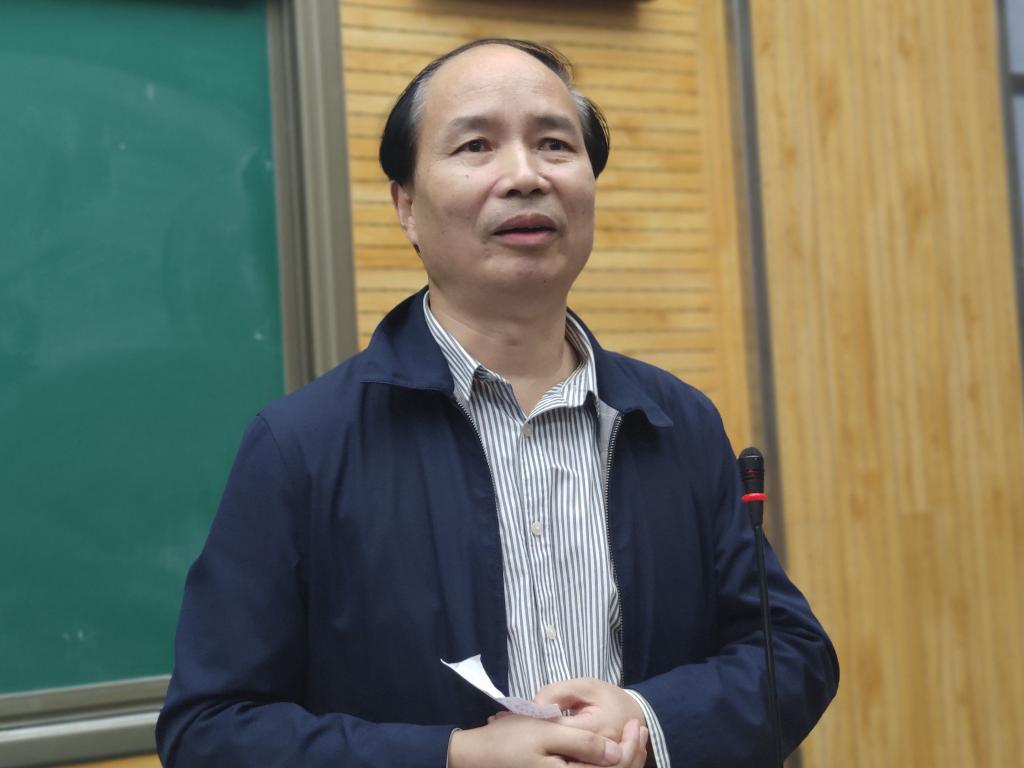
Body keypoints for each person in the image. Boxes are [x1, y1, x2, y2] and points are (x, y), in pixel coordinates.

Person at [156, 38, 838, 768]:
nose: (525, 176)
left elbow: (792, 656)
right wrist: (451, 758)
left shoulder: (677, 421)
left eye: (554, 145)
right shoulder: (302, 446)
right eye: (476, 145)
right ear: (406, 206)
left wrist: (653, 718)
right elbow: (209, 731)